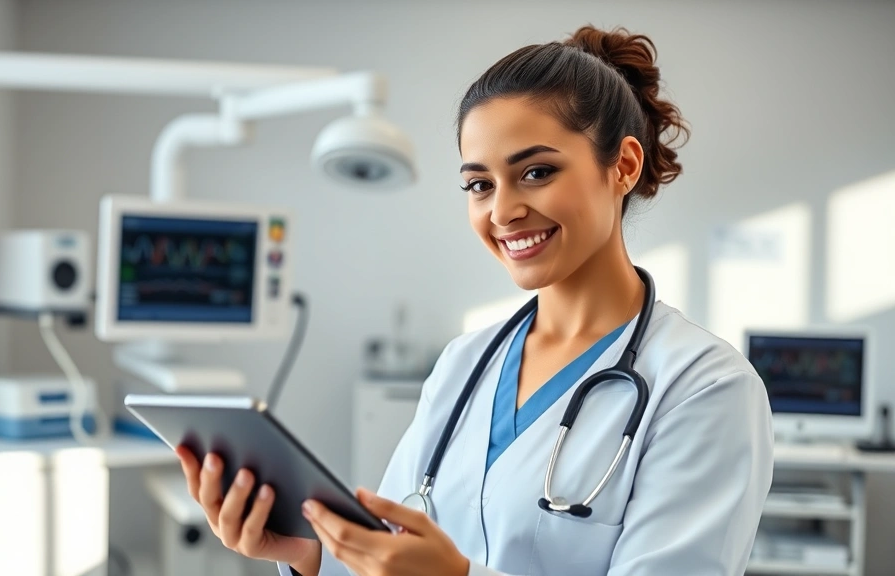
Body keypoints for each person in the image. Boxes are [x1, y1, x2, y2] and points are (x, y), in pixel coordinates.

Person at [176, 25, 774, 576]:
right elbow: (393, 552)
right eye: (479, 184)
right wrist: (305, 553)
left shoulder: (705, 387)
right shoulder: (466, 364)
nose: (502, 211)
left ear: (622, 165)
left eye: (536, 172)